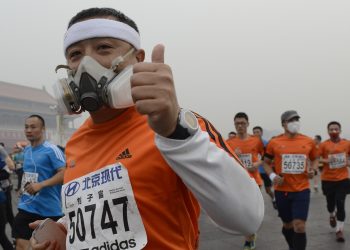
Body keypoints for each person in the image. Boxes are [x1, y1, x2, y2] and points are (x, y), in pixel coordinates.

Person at [30, 7, 264, 250]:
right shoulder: (76, 142)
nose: (86, 64)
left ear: (138, 59)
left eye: (104, 48)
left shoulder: (178, 126)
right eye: (75, 54)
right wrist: (66, 228)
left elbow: (247, 219)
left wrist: (176, 134)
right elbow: (105, 206)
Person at [263, 110, 318, 250]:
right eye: (291, 120)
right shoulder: (274, 142)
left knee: (299, 226)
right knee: (288, 225)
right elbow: (266, 162)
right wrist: (273, 176)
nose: (295, 123)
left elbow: (315, 158)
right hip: (282, 191)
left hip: (302, 189)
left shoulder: (308, 141)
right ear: (283, 124)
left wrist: (314, 170)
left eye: (296, 120)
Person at [12, 115, 66, 250]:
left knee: (48, 247)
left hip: (49, 211)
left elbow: (65, 173)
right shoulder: (27, 150)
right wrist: (24, 189)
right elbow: (30, 174)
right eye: (26, 127)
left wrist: (41, 185)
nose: (28, 130)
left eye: (33, 127)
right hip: (26, 207)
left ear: (43, 129)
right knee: (20, 245)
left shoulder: (52, 150)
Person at [226, 113, 264, 250]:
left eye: (242, 123)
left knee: (252, 210)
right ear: (234, 125)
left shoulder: (256, 140)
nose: (240, 126)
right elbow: (224, 161)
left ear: (248, 124)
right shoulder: (229, 143)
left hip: (255, 180)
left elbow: (265, 157)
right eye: (237, 123)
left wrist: (257, 163)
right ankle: (250, 234)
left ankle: (249, 238)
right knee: (244, 211)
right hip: (238, 182)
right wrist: (234, 155)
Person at [318, 121, 350, 242]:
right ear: (328, 131)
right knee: (330, 204)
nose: (334, 131)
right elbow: (318, 158)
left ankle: (339, 230)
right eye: (331, 129)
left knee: (340, 203)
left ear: (340, 130)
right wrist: (329, 161)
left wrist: (347, 162)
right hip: (327, 180)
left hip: (343, 179)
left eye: (336, 129)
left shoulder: (347, 143)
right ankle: (332, 214)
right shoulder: (323, 145)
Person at [252, 126, 276, 209]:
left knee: (268, 190)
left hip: (264, 171)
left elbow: (271, 157)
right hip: (254, 172)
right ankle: (255, 207)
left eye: (257, 132)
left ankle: (273, 198)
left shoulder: (266, 143)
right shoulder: (250, 143)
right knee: (255, 190)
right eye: (254, 132)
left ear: (261, 133)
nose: (256, 134)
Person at [0, 143, 15, 249]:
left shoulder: (2, 158)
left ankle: (17, 238)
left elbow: (9, 169)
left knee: (9, 215)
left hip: (4, 192)